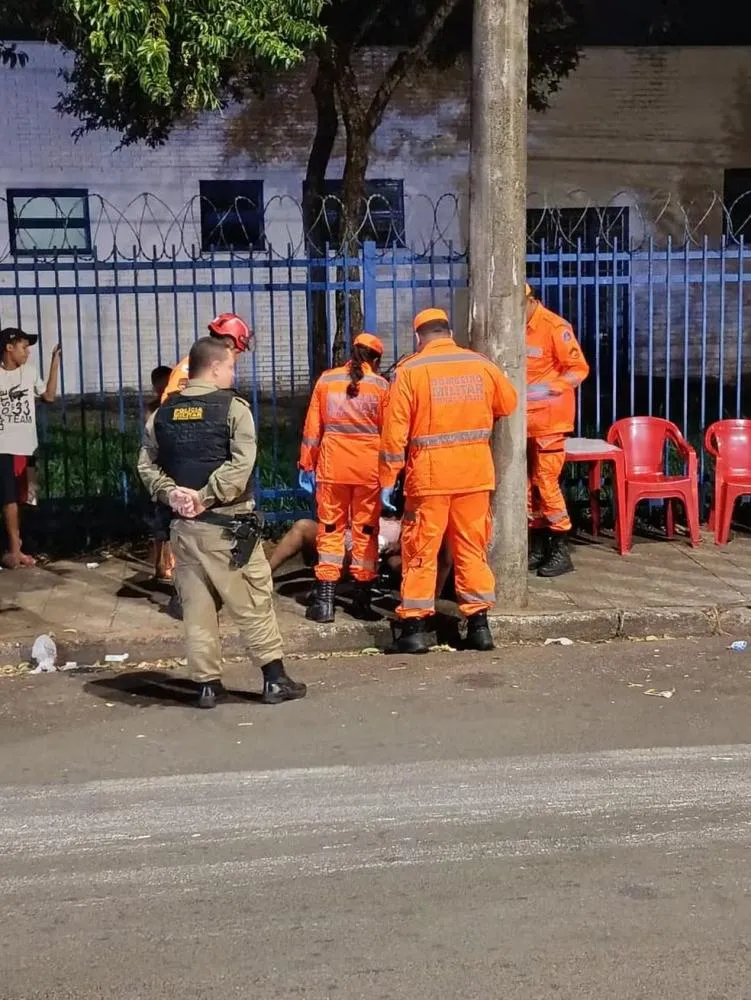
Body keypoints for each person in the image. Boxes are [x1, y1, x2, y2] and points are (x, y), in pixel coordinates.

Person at [137, 335, 305, 710]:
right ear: (214, 367)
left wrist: (171, 494)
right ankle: (274, 679)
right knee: (252, 602)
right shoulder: (234, 409)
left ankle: (207, 686)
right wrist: (206, 496)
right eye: (230, 366)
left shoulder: (163, 413)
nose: (233, 372)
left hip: (182, 530)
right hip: (228, 528)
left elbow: (146, 465)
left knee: (197, 609)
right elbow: (242, 464)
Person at [379, 307, 518, 654]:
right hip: (474, 476)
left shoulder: (410, 371)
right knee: (471, 550)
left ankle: (414, 629)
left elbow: (394, 434)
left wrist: (387, 479)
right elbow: (509, 403)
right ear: (448, 332)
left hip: (430, 480)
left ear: (418, 337)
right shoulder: (481, 364)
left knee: (421, 553)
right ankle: (479, 627)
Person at [298, 333, 389, 623]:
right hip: (368, 471)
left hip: (332, 469)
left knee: (330, 531)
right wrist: (391, 475)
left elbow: (313, 428)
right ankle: (361, 600)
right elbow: (391, 434)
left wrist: (306, 464)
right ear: (375, 359)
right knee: (365, 532)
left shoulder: (326, 381)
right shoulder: (381, 386)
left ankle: (325, 602)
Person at [525, 283, 590, 577]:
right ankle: (538, 547)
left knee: (545, 482)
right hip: (524, 422)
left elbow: (578, 369)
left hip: (550, 421)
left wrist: (549, 389)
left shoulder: (554, 326)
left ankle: (560, 548)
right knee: (528, 487)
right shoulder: (515, 327)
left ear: (531, 300)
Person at [0, 327, 61, 569]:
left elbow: (49, 396)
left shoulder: (29, 372)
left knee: (29, 496)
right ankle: (15, 550)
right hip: (4, 447)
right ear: (9, 347)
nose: (27, 352)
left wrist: (54, 362)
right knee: (9, 498)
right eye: (24, 347)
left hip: (28, 447)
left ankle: (24, 544)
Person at [160, 313, 253, 403]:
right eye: (237, 352)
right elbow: (170, 406)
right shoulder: (188, 367)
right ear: (227, 346)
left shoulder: (202, 363)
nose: (237, 358)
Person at [146, 365, 175, 582]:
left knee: (171, 522)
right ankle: (159, 565)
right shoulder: (154, 409)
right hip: (161, 470)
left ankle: (168, 564)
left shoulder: (176, 406)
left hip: (173, 469)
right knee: (161, 524)